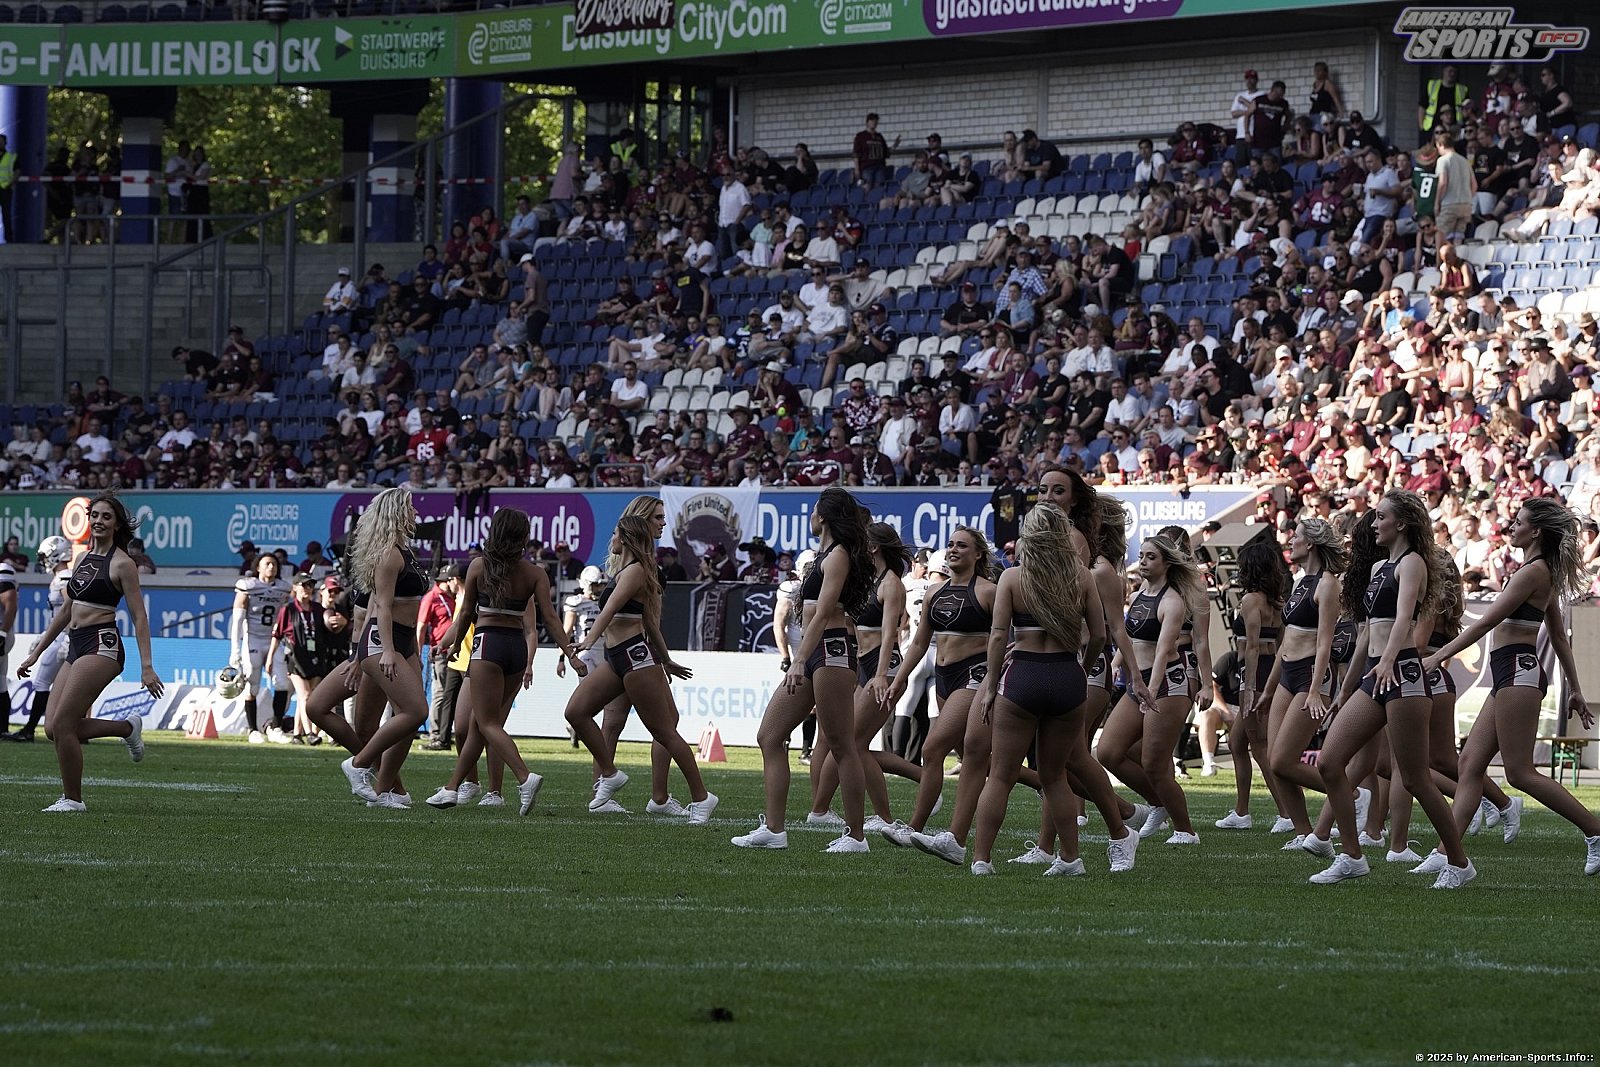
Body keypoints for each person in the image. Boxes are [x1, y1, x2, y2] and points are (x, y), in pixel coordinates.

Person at [1422, 499, 1600, 877]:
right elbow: (1557, 636)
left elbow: (1485, 623)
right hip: (1512, 673)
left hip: (1519, 672)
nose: (1511, 527)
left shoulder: (1533, 572)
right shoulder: (1539, 571)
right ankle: (1448, 853)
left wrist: (1439, 656)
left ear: (1536, 531)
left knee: (1519, 772)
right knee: (1469, 764)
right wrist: (1575, 688)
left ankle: (1595, 831)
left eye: (1519, 523)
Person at [1313, 490, 1472, 887]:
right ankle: (1352, 857)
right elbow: (1368, 633)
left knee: (1416, 778)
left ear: (1401, 523)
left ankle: (1458, 862)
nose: (1374, 523)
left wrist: (1388, 660)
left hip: (1403, 675)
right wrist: (1346, 690)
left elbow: (1404, 619)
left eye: (1381, 516)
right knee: (1330, 763)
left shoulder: (1413, 562)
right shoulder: (1378, 566)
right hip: (1375, 675)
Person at [968, 503, 1108, 876]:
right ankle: (1071, 859)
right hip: (1067, 675)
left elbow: (998, 636)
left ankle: (982, 859)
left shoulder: (1013, 577)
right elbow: (1099, 636)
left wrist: (990, 687)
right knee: (1055, 775)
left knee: (1001, 774)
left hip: (1023, 675)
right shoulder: (1081, 576)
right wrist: (1082, 667)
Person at [733, 487, 877, 851]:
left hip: (830, 651)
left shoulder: (839, 555)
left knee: (841, 745)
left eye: (814, 510)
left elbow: (825, 613)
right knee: (769, 736)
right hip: (816, 652)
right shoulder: (825, 555)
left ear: (823, 516)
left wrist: (798, 659)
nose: (811, 516)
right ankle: (774, 830)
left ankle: (856, 836)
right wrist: (801, 658)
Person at [425, 509, 586, 815]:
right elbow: (551, 620)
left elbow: (466, 614)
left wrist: (455, 646)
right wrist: (571, 655)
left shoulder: (478, 566)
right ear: (523, 537)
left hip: (488, 645)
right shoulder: (536, 573)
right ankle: (452, 787)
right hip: (516, 649)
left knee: (486, 723)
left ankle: (524, 777)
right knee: (482, 725)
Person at [567, 516, 719, 822]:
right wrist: (666, 658)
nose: (611, 538)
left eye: (614, 533)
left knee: (664, 732)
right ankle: (610, 773)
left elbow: (610, 611)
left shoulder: (636, 571)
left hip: (634, 658)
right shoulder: (625, 571)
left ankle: (702, 798)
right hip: (617, 658)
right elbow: (648, 620)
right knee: (576, 712)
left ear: (625, 539)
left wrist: (587, 641)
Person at [16, 494, 161, 812]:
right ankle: (126, 728)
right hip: (76, 643)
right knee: (53, 728)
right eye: (94, 515)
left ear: (117, 524)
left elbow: (139, 617)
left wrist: (147, 666)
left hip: (102, 645)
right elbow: (66, 611)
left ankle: (73, 800)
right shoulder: (82, 558)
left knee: (64, 724)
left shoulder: (123, 564)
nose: (98, 521)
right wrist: (37, 652)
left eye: (106, 516)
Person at [879, 526, 1001, 858]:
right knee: (976, 758)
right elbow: (920, 642)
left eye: (962, 545)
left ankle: (914, 828)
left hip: (973, 676)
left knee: (932, 748)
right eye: (950, 544)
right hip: (944, 677)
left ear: (978, 554)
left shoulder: (989, 591)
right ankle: (1042, 782)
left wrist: (994, 678)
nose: (953, 549)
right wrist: (898, 679)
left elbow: (1006, 637)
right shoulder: (935, 592)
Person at [320, 488, 434, 807]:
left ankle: (386, 790)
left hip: (403, 641)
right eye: (410, 508)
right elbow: (381, 607)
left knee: (407, 716)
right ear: (396, 512)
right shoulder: (388, 555)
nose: (415, 513)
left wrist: (410, 651)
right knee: (416, 711)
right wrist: (386, 650)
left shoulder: (403, 549)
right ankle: (358, 765)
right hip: (384, 640)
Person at [805, 523, 922, 832]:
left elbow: (889, 634)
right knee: (852, 743)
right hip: (863, 666)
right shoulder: (865, 580)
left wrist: (881, 675)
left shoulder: (891, 583)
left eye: (863, 542)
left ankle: (832, 811)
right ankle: (914, 789)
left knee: (853, 742)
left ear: (874, 547)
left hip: (885, 667)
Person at [1094, 535, 1202, 845]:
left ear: (1166, 563)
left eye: (1151, 557)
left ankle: (1185, 831)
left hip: (1166, 684)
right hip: (1138, 683)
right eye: (1141, 555)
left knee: (1154, 764)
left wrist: (1150, 690)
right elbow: (1129, 635)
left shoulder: (1173, 601)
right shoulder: (1140, 592)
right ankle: (1158, 803)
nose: (1142, 562)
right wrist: (1117, 663)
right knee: (1108, 752)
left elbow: (1164, 651)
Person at [1251, 521, 1347, 845]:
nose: (1291, 541)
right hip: (1287, 676)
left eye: (1297, 537)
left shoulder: (1328, 584)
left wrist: (1317, 689)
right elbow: (1287, 641)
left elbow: (1325, 643)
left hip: (1310, 676)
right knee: (1275, 763)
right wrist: (1268, 689)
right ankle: (1304, 832)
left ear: (1312, 544)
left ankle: (1349, 793)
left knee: (1282, 760)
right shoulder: (1299, 581)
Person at [5, 536, 72, 743]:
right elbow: (59, 614)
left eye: (44, 556)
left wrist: (69, 637)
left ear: (55, 554)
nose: (43, 561)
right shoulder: (60, 577)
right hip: (60, 634)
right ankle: (70, 728)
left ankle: (30, 729)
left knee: (43, 681)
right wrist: (45, 634)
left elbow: (72, 608)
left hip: (64, 636)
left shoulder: (64, 578)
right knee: (63, 685)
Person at [231, 553, 292, 744]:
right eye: (267, 564)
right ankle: (253, 729)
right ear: (258, 567)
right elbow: (237, 620)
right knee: (253, 686)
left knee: (282, 684)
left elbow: (286, 615)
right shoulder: (248, 586)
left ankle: (276, 727)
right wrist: (235, 650)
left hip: (274, 640)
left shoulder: (283, 588)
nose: (271, 567)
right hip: (253, 639)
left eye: (274, 564)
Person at [265, 573, 326, 744]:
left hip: (314, 656)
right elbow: (277, 635)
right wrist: (270, 658)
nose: (308, 589)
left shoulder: (317, 609)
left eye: (310, 585)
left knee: (307, 697)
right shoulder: (288, 609)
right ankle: (310, 733)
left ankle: (297, 734)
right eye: (304, 585)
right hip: (295, 658)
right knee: (304, 695)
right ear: (295, 587)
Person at [418, 563, 463, 750]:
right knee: (440, 693)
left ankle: (444, 733)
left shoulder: (453, 597)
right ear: (448, 581)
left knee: (449, 694)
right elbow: (421, 626)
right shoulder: (432, 597)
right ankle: (436, 733)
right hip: (440, 651)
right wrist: (419, 652)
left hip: (453, 650)